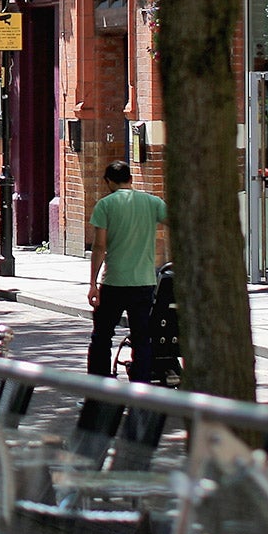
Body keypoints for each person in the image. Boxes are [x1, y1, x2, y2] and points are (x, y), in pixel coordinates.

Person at [87, 159, 168, 381]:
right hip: (144, 281)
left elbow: (100, 246)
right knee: (142, 337)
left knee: (102, 336)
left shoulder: (105, 205)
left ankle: (98, 385)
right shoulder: (152, 202)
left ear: (108, 182)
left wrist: (93, 284)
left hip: (114, 281)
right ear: (130, 179)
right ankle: (141, 385)